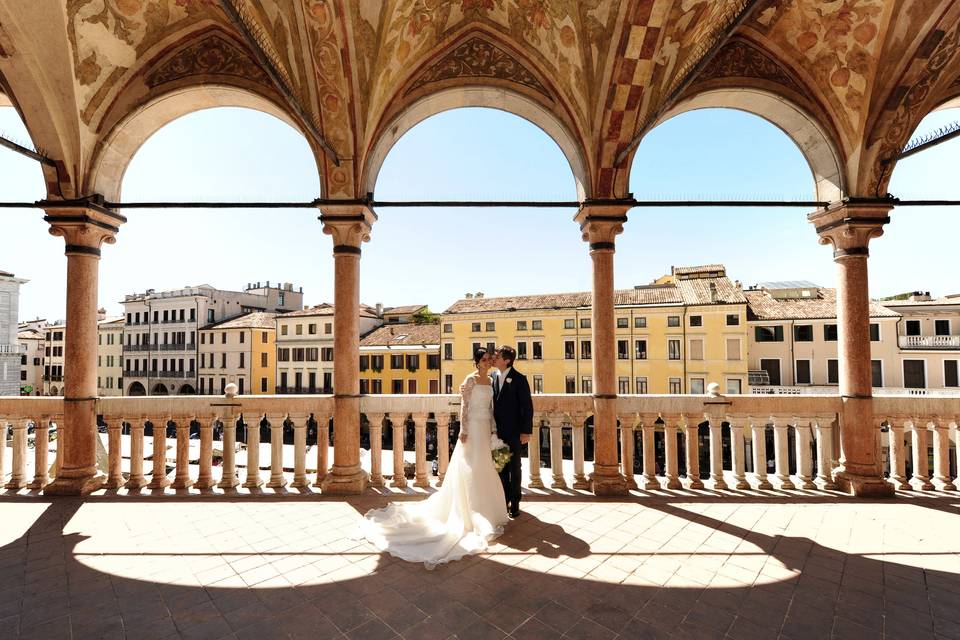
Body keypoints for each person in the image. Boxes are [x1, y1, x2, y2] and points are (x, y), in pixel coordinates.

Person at [359, 348, 508, 568]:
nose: (487, 362)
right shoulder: (471, 380)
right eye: (484, 360)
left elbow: (491, 408)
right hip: (473, 428)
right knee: (470, 469)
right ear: (477, 362)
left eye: (488, 360)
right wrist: (464, 429)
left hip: (485, 428)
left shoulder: (491, 380)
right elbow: (464, 407)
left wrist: (494, 429)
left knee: (484, 468)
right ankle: (468, 513)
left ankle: (486, 511)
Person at [491, 345, 533, 518]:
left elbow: (527, 407)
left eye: (497, 355)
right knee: (500, 467)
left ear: (506, 360)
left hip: (515, 433)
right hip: (497, 433)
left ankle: (515, 502)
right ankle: (504, 499)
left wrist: (526, 432)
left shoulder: (519, 379)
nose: (494, 357)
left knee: (515, 468)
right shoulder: (493, 376)